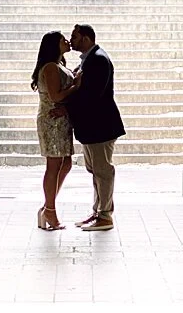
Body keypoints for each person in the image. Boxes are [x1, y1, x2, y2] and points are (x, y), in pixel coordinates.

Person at [62, 23, 125, 232]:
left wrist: (66, 107)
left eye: (74, 36)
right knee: (95, 171)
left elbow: (91, 95)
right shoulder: (90, 59)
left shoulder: (98, 60)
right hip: (92, 127)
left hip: (101, 126)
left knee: (103, 171)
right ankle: (98, 211)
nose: (71, 40)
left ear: (86, 38)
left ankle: (105, 216)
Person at [31, 30, 82, 231]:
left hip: (61, 120)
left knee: (65, 163)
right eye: (63, 40)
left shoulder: (59, 64)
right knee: (53, 165)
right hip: (52, 120)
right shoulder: (51, 67)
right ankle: (50, 210)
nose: (68, 41)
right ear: (54, 45)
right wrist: (76, 85)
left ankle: (47, 206)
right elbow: (56, 96)